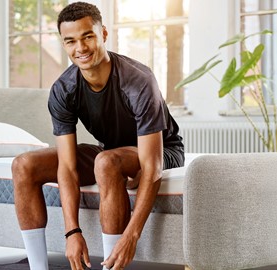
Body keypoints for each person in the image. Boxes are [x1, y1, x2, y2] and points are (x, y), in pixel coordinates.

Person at [11, 2, 184, 270]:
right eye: (70, 41)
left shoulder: (138, 81)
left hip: (161, 149)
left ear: (103, 34)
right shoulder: (63, 90)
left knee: (106, 161)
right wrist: (72, 232)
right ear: (64, 44)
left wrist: (131, 236)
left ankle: (110, 266)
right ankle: (37, 267)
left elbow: (152, 167)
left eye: (87, 36)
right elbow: (67, 168)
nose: (80, 48)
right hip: (110, 150)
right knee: (24, 165)